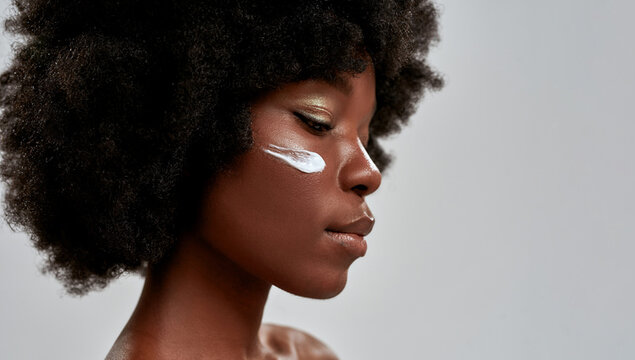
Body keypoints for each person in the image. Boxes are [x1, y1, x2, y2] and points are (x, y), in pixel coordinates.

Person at [0, 0, 442, 358]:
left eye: (365, 136)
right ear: (183, 127)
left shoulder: (302, 354)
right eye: (317, 122)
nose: (369, 173)